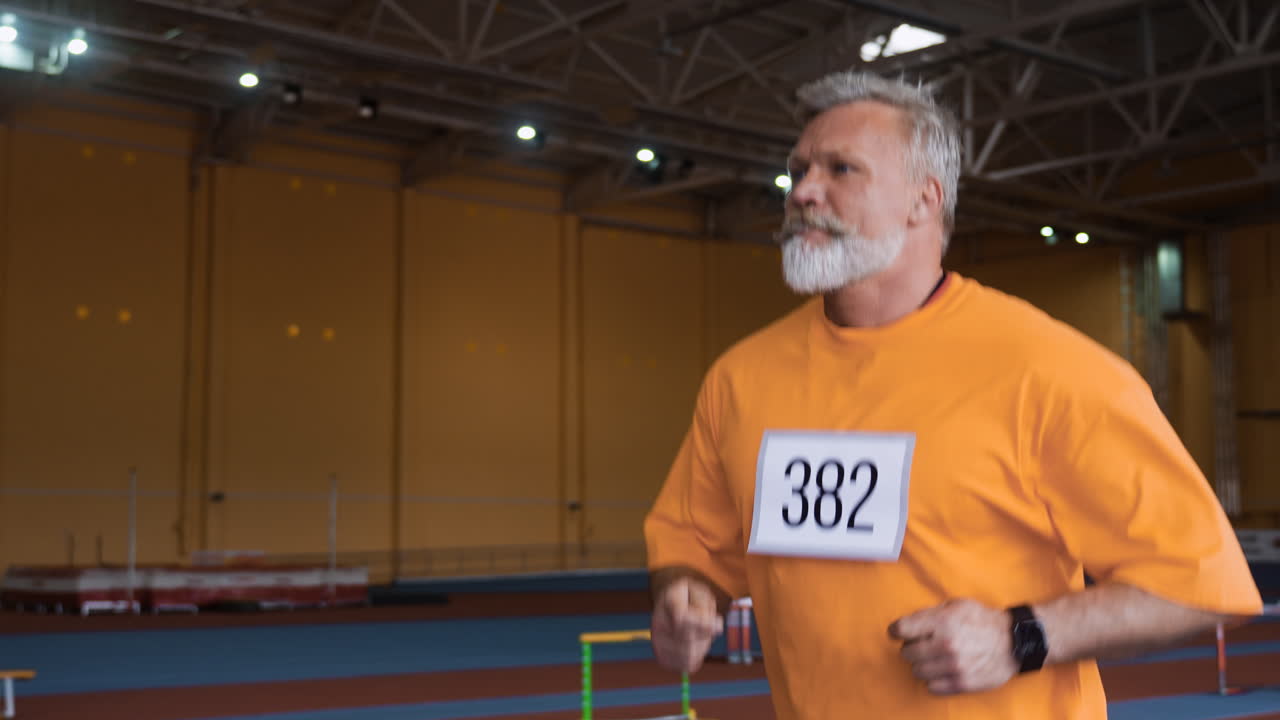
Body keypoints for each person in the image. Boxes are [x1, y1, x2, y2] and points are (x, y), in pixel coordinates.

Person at [643, 70, 1262, 719]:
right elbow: (694, 545)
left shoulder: (1048, 369)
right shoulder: (742, 379)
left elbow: (1202, 583)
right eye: (798, 170)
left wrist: (1022, 636)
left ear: (923, 200)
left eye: (841, 170)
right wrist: (684, 595)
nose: (802, 191)